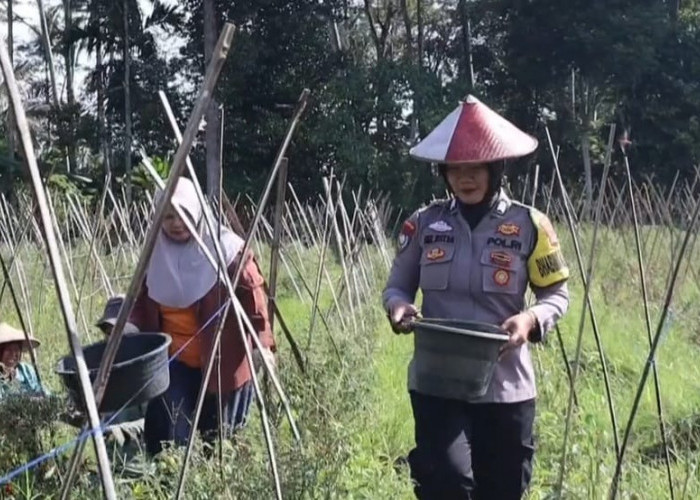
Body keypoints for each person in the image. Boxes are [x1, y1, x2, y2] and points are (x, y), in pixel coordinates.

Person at [383, 95, 570, 500]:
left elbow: (556, 293)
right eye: (456, 170)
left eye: (475, 169)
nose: (465, 178)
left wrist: (531, 320)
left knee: (502, 490)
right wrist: (397, 306)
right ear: (444, 173)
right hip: (437, 382)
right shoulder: (425, 224)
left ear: (495, 168)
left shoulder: (530, 225)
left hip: (506, 388)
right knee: (445, 482)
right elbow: (397, 285)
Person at [128, 176, 276, 456]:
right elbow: (141, 300)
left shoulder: (229, 252)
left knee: (220, 441)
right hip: (175, 362)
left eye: (183, 213)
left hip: (224, 361)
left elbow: (256, 304)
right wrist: (130, 329)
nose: (175, 222)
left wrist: (262, 345)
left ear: (196, 210)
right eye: (168, 215)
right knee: (172, 437)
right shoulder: (155, 254)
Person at [0, 322, 46, 398]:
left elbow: (42, 391)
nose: (13, 354)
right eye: (8, 349)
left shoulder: (26, 371)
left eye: (16, 349)